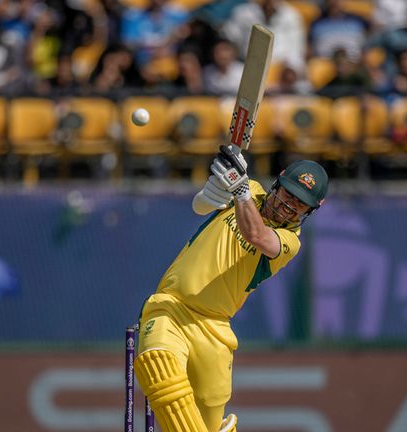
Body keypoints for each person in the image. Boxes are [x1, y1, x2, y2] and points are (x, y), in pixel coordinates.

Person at [134, 146, 329, 432]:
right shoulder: (249, 188)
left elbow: (256, 234)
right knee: (157, 363)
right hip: (171, 308)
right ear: (279, 180)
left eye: (300, 204)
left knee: (208, 424)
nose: (289, 205)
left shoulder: (289, 241)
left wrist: (238, 188)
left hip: (215, 331)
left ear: (313, 208)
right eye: (288, 194)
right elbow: (200, 207)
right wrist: (217, 187)